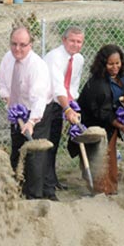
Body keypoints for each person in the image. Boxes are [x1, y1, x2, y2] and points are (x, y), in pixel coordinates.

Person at [0, 26, 56, 200]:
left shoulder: (37, 66)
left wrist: (31, 122)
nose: (17, 49)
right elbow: (2, 82)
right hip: (17, 110)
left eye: (22, 45)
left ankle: (34, 197)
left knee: (34, 156)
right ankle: (18, 191)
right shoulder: (7, 59)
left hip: (37, 112)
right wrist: (6, 97)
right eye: (14, 44)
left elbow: (38, 98)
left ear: (31, 44)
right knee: (17, 151)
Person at [76, 44, 124, 195]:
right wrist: (121, 126)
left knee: (111, 155)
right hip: (95, 124)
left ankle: (112, 189)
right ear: (103, 64)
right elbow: (102, 113)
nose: (115, 67)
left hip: (111, 122)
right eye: (110, 64)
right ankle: (101, 191)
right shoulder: (98, 84)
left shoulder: (121, 75)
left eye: (117, 63)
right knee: (100, 157)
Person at [43, 26, 85, 197]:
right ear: (64, 40)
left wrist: (72, 105)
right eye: (72, 41)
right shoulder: (54, 57)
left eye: (79, 42)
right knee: (46, 145)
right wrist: (67, 108)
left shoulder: (79, 59)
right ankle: (46, 188)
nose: (75, 45)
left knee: (54, 144)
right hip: (47, 103)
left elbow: (73, 85)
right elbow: (57, 86)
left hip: (62, 104)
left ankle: (52, 180)